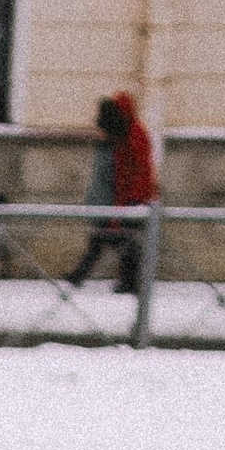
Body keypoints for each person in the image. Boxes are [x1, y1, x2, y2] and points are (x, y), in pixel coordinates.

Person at [67, 90, 157, 296]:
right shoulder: (127, 136)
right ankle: (126, 281)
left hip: (133, 199)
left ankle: (129, 281)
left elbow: (134, 174)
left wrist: (129, 202)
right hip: (126, 199)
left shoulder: (133, 137)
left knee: (118, 240)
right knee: (112, 239)